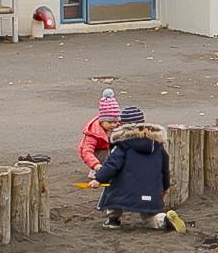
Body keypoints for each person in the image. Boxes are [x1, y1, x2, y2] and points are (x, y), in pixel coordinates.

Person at [91, 103, 181, 232]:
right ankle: (164, 221)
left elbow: (112, 164)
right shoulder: (156, 144)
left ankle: (113, 220)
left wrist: (98, 179)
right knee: (149, 217)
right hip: (151, 190)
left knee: (113, 193)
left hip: (125, 190)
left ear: (123, 125)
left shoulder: (123, 144)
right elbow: (164, 167)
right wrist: (165, 187)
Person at [77, 88, 122, 172]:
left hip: (109, 148)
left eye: (116, 122)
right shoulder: (93, 133)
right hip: (97, 153)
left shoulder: (118, 127)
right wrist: (95, 165)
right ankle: (98, 170)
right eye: (109, 122)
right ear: (102, 121)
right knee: (104, 152)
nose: (113, 125)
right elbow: (87, 152)